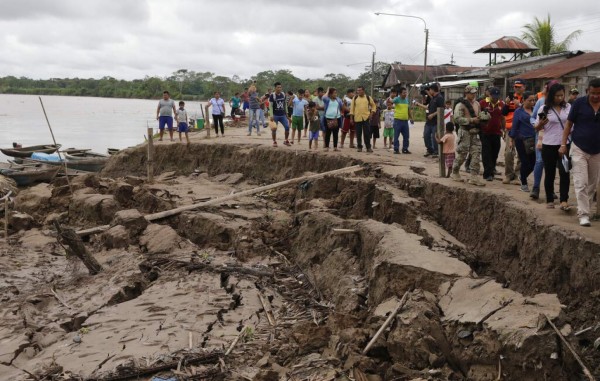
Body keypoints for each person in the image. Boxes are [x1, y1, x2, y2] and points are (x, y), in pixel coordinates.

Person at [559, 78, 600, 226]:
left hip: (597, 151)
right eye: (593, 93)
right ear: (588, 91)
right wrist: (563, 144)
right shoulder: (579, 104)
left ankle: (586, 209)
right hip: (578, 148)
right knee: (581, 182)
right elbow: (568, 124)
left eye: (598, 93)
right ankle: (583, 214)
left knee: (591, 184)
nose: (595, 96)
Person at [535, 83, 571, 209]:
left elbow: (572, 124)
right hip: (549, 144)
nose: (560, 98)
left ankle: (563, 200)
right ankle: (550, 199)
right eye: (557, 96)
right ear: (551, 96)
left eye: (562, 95)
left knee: (564, 171)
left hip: (564, 145)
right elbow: (536, 127)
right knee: (549, 172)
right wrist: (540, 124)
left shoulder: (568, 107)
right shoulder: (544, 109)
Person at [450, 85, 488, 186]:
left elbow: (479, 115)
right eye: (471, 93)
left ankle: (474, 177)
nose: (473, 94)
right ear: (466, 93)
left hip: (475, 132)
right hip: (465, 132)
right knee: (462, 154)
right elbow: (457, 119)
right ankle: (455, 171)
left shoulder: (477, 104)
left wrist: (483, 118)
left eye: (475, 92)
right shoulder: (460, 105)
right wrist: (471, 120)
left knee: (476, 154)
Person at [508, 92, 537, 192]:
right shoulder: (518, 112)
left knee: (533, 163)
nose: (532, 102)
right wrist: (511, 140)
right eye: (530, 100)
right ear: (524, 100)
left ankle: (522, 176)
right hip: (521, 140)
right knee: (525, 162)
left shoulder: (536, 111)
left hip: (534, 140)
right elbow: (514, 126)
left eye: (534, 100)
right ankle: (524, 183)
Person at [502, 79, 526, 184]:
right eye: (515, 86)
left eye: (519, 86)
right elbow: (503, 113)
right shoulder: (509, 99)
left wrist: (520, 105)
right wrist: (507, 104)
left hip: (523, 129)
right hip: (510, 129)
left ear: (524, 87)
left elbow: (530, 112)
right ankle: (509, 175)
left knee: (522, 154)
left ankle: (518, 175)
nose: (517, 88)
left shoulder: (527, 98)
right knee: (508, 153)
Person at [479, 87, 505, 181]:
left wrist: (503, 129)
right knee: (486, 153)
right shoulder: (482, 103)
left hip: (497, 133)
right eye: (493, 96)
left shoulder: (501, 104)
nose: (495, 98)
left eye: (497, 96)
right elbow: (478, 116)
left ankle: (492, 169)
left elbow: (502, 118)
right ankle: (487, 174)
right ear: (489, 95)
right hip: (485, 132)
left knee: (495, 153)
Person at [416, 83, 444, 158]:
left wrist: (433, 115)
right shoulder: (432, 98)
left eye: (430, 90)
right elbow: (428, 107)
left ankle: (436, 151)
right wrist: (419, 104)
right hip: (428, 122)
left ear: (432, 90)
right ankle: (430, 149)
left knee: (434, 137)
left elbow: (441, 110)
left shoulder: (439, 98)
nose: (429, 91)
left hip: (435, 122)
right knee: (426, 136)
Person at [351, 86, 377, 153]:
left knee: (367, 133)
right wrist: (351, 118)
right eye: (357, 90)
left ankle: (368, 147)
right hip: (357, 118)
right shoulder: (355, 98)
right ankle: (359, 147)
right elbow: (352, 109)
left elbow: (374, 106)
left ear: (363, 91)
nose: (358, 92)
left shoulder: (368, 98)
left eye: (360, 90)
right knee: (358, 133)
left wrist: (371, 113)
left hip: (366, 118)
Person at [391, 87, 413, 154]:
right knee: (396, 136)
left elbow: (408, 110)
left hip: (405, 121)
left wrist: (411, 117)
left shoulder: (406, 100)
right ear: (400, 93)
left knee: (406, 136)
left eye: (406, 92)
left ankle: (405, 149)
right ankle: (396, 149)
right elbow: (391, 101)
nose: (405, 94)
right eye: (404, 93)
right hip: (398, 121)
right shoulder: (397, 99)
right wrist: (392, 98)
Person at [269, 82, 291, 147]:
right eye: (278, 87)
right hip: (275, 115)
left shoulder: (283, 94)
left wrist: (287, 113)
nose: (279, 88)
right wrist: (271, 115)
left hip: (282, 114)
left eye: (280, 87)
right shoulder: (272, 96)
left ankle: (286, 140)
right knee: (274, 128)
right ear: (275, 88)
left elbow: (285, 105)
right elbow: (270, 106)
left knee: (287, 127)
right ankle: (274, 141)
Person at [322, 87, 343, 152]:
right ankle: (327, 147)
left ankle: (335, 147)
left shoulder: (338, 100)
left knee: (335, 133)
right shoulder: (327, 99)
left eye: (336, 93)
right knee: (328, 133)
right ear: (330, 94)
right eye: (334, 93)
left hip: (337, 118)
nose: (335, 94)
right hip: (328, 118)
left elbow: (341, 106)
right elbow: (323, 97)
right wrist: (327, 91)